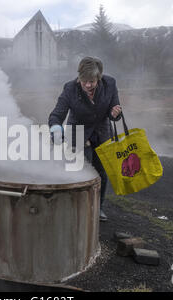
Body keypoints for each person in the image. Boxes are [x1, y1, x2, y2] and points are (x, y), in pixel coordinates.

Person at [48, 56, 122, 222]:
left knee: (101, 172)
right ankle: (77, 209)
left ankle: (98, 207)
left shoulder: (110, 84)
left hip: (102, 133)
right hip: (78, 133)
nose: (88, 85)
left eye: (92, 81)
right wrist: (56, 130)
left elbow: (113, 112)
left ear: (99, 78)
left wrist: (115, 113)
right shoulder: (70, 89)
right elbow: (57, 115)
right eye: (84, 81)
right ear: (79, 77)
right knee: (81, 172)